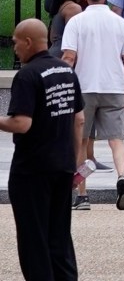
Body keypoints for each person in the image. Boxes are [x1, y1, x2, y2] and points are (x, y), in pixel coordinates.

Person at [7, 17, 81, 281]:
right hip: (62, 164)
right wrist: (74, 159)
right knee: (59, 236)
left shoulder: (27, 75)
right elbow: (79, 119)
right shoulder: (66, 71)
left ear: (28, 42)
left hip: (33, 168)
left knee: (33, 239)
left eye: (16, 43)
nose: (15, 49)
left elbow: (22, 123)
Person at [60, 0, 124, 211]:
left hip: (84, 87)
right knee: (117, 140)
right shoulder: (120, 23)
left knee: (80, 141)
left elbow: (69, 58)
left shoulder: (77, 22)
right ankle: (122, 176)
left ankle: (82, 194)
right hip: (114, 85)